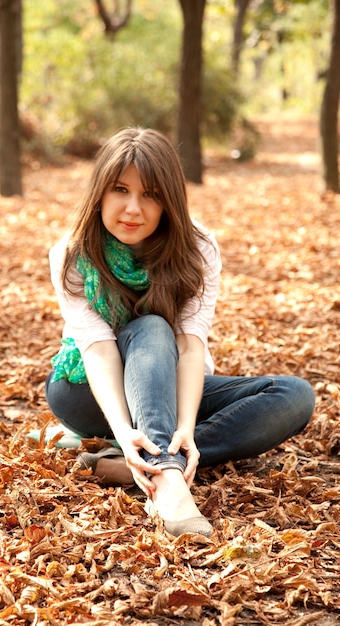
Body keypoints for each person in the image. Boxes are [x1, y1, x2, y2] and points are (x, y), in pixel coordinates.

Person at [45, 127, 315, 538]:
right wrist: (122, 428)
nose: (133, 208)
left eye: (150, 194)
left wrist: (186, 427)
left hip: (170, 385)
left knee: (294, 396)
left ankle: (130, 463)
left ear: (169, 200)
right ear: (99, 191)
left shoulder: (197, 246)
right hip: (90, 392)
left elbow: (190, 347)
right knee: (151, 327)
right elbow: (98, 350)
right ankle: (169, 484)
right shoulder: (72, 253)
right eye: (120, 189)